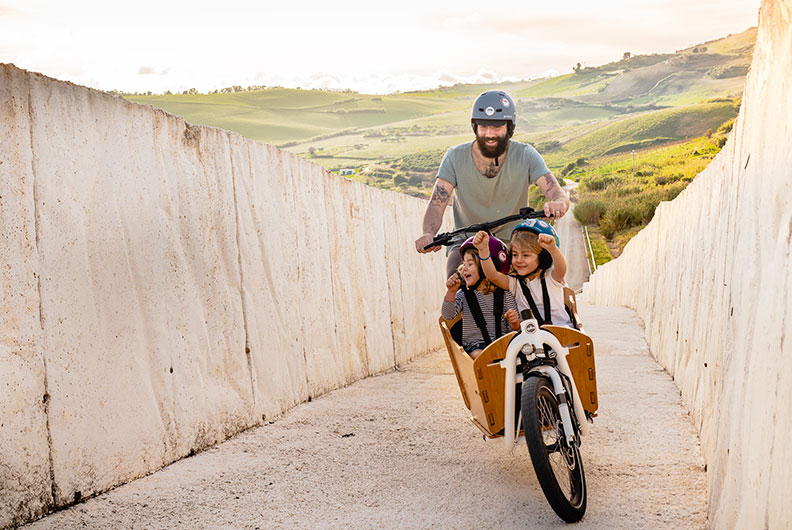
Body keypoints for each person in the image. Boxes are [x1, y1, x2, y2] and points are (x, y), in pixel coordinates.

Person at [414, 89, 570, 278]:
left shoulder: (526, 155)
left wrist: (558, 202)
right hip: (466, 241)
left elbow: (555, 191)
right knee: (456, 281)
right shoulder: (455, 157)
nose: (489, 134)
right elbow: (436, 203)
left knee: (528, 289)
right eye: (483, 127)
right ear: (475, 127)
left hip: (513, 242)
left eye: (497, 127)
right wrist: (429, 233)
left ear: (509, 128)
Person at [472, 219, 575, 329]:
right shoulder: (515, 283)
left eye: (526, 255)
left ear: (542, 257)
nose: (519, 260)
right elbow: (493, 276)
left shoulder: (551, 276)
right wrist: (483, 251)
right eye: (515, 255)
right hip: (531, 337)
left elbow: (562, 268)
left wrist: (552, 249)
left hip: (562, 332)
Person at [442, 236, 520, 359]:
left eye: (470, 263)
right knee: (481, 357)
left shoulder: (505, 294)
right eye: (464, 264)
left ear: (486, 268)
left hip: (503, 345)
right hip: (475, 347)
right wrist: (451, 292)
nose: (464, 268)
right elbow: (448, 315)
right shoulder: (464, 295)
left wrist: (514, 322)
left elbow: (515, 329)